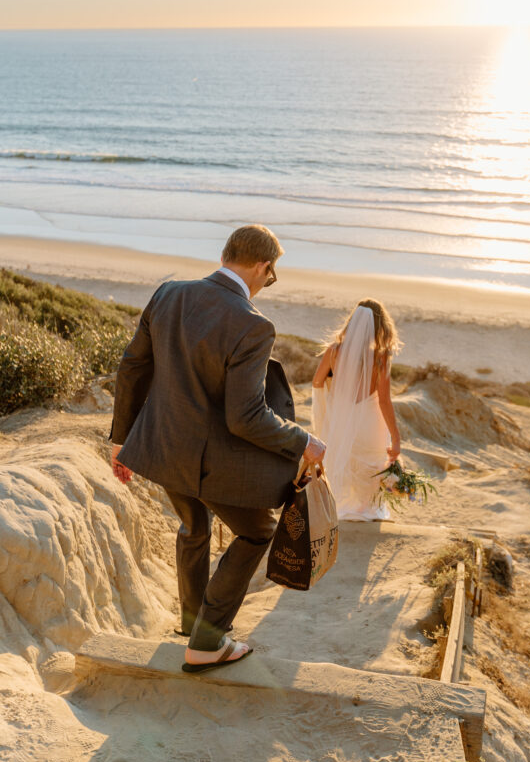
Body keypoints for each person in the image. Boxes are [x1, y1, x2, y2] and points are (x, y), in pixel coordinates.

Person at [110, 224, 325, 672]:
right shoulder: (253, 325)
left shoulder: (168, 294)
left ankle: (192, 622)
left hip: (162, 449)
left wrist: (120, 439)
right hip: (207, 462)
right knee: (258, 531)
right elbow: (244, 417)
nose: (268, 284)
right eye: (271, 276)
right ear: (264, 266)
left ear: (227, 254)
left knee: (193, 525)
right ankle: (208, 641)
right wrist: (303, 440)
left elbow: (132, 367)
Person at [311, 299, 401, 521]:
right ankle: (365, 509)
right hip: (370, 419)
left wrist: (334, 399)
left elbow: (316, 382)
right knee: (370, 463)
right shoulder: (381, 357)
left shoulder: (333, 351)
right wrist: (396, 439)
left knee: (346, 459)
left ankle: (343, 507)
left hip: (342, 418)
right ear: (381, 327)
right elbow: (384, 401)